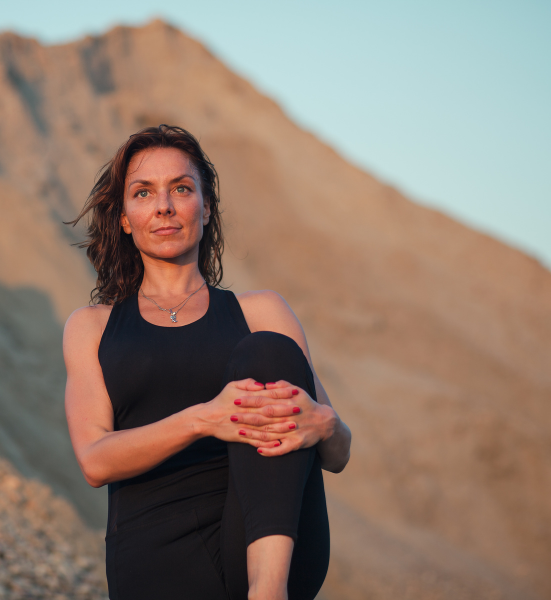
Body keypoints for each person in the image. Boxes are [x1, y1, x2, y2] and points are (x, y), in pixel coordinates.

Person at [64, 125, 352, 600]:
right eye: (143, 192)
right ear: (124, 219)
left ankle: (267, 593)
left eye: (181, 188)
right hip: (156, 557)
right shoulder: (92, 327)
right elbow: (95, 460)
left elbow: (338, 455)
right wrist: (205, 420)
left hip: (264, 541)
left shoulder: (263, 312)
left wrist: (325, 425)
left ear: (206, 206)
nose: (164, 206)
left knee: (268, 351)